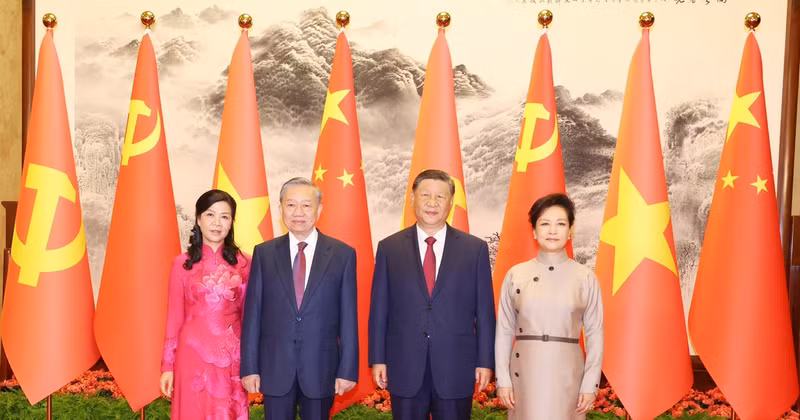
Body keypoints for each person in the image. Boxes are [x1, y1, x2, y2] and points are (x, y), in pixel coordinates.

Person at [368, 169, 496, 420]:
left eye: (440, 196)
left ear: (451, 202)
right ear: (412, 199)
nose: (432, 202)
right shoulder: (389, 248)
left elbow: (485, 313)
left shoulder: (474, 249)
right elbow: (379, 311)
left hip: (455, 366)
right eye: (425, 195)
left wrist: (485, 361)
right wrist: (378, 359)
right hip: (404, 365)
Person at [240, 177, 358, 420]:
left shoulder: (342, 254)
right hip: (275, 367)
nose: (298, 212)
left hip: (321, 368)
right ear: (281, 208)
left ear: (319, 210)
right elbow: (253, 315)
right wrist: (250, 367)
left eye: (306, 205)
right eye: (291, 205)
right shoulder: (264, 253)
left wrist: (347, 370)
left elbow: (349, 318)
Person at [495, 193, 604, 419]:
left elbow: (595, 333)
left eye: (561, 224)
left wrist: (590, 384)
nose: (552, 231)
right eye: (545, 224)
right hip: (524, 374)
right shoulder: (516, 275)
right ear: (534, 231)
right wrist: (503, 379)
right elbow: (504, 331)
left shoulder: (585, 278)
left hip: (569, 376)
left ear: (570, 231)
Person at [160, 189, 251, 419]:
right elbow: (174, 318)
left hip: (232, 361)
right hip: (191, 360)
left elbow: (250, 319)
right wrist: (167, 366)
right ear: (198, 219)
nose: (217, 223)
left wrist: (252, 365)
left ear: (231, 222)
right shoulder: (182, 264)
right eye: (210, 215)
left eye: (224, 216)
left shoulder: (246, 264)